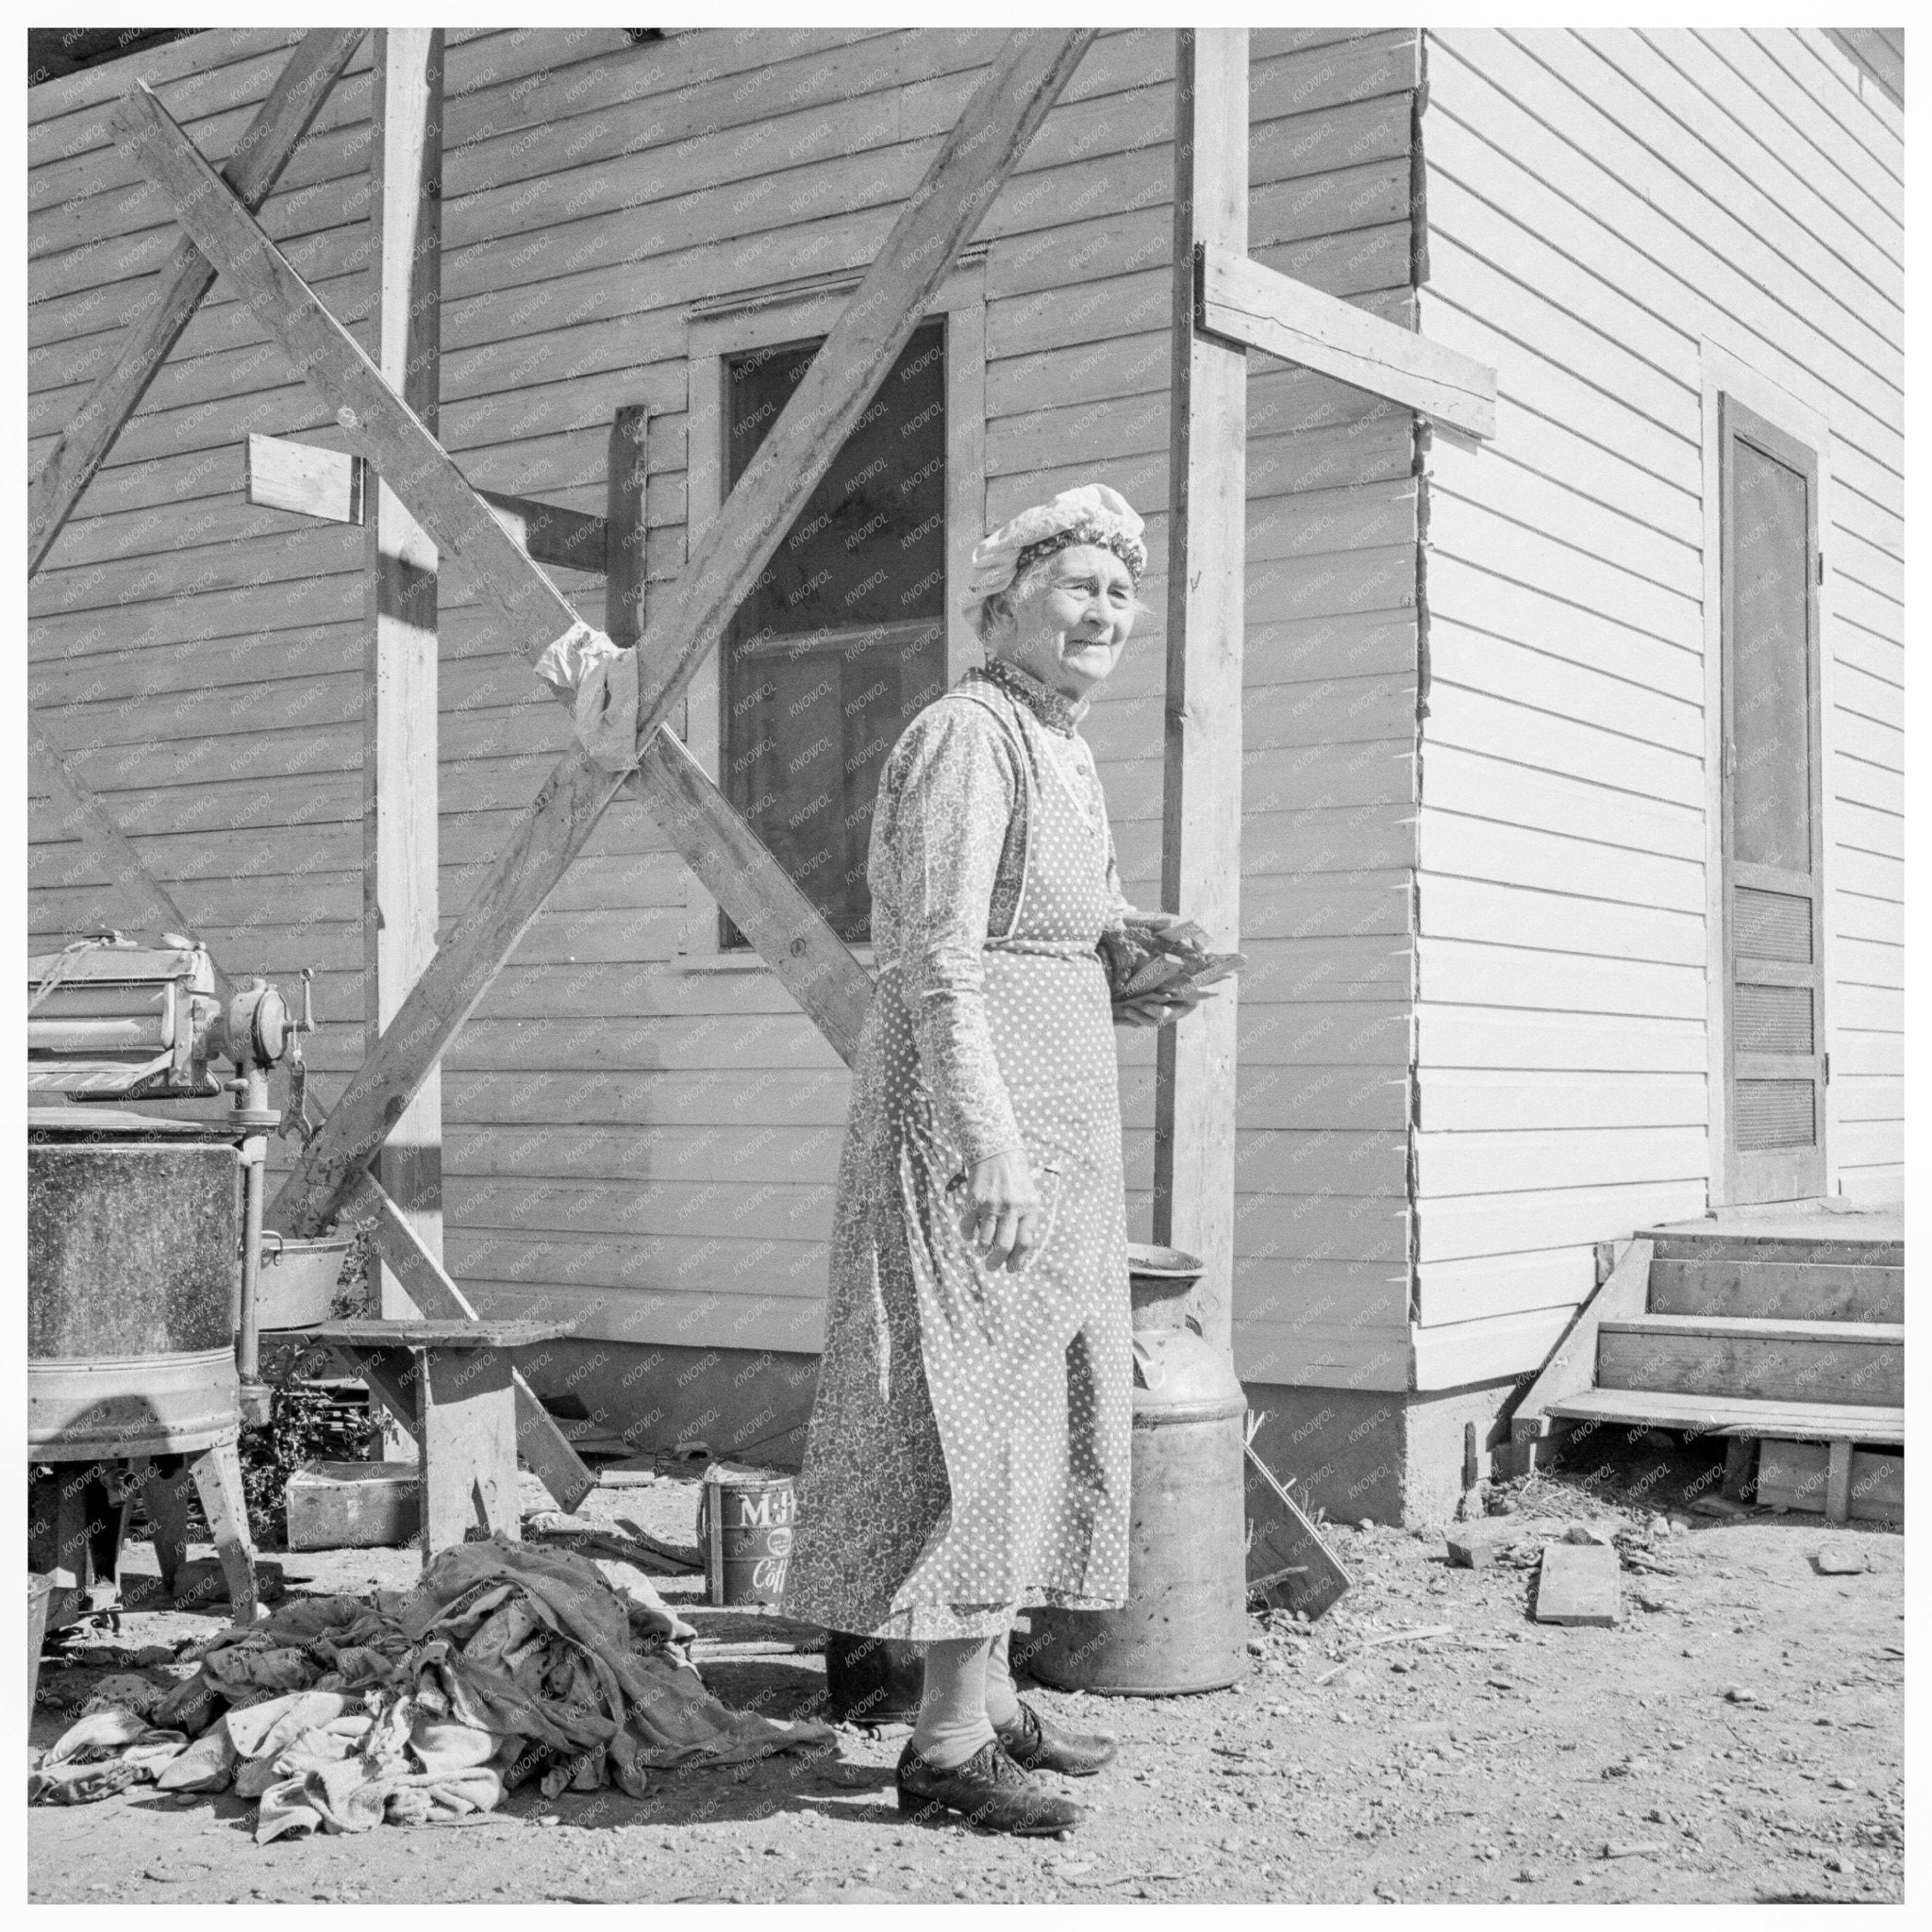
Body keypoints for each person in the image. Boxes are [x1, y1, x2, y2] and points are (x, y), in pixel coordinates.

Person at [784, 484, 1158, 1837]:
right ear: (1003, 610)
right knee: (971, 1404)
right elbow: (939, 954)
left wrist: (1124, 944)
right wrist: (983, 1139)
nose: (1106, 609)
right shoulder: (965, 736)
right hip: (971, 1118)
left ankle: (989, 1699)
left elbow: (1040, 918)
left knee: (1040, 1389)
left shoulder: (1058, 742)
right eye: (1078, 587)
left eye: (1121, 593)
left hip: (1063, 1112)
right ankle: (942, 1745)